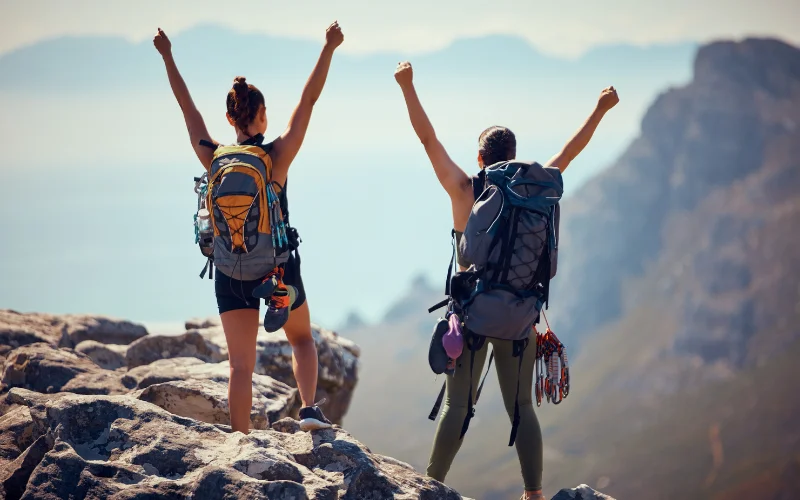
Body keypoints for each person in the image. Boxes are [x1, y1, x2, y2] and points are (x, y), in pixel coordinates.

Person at [394, 60, 619, 500]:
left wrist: (407, 86)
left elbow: (427, 139)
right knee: (522, 408)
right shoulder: (538, 189)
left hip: (474, 317)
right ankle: (534, 493)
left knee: (459, 406)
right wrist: (600, 110)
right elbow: (571, 152)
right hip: (521, 319)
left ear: (481, 159)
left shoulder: (465, 189)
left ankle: (430, 488)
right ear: (514, 156)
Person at [153, 21, 345, 433]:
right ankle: (309, 409)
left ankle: (240, 441)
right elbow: (308, 101)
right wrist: (328, 47)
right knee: (302, 340)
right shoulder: (277, 155)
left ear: (229, 118)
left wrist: (168, 56)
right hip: (276, 266)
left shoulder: (213, 157)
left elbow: (188, 111)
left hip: (230, 268)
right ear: (261, 116)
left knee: (240, 366)